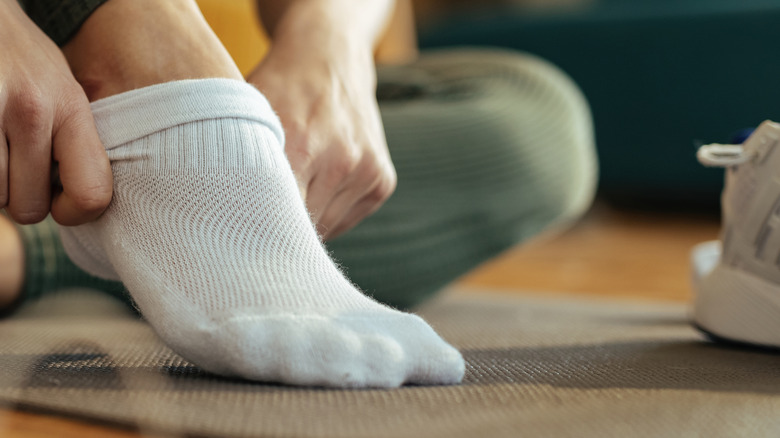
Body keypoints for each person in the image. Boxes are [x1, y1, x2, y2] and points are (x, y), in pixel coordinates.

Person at [0, 0, 597, 387]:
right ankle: (155, 112)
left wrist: (330, 45)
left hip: (251, 90)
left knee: (535, 121)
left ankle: (70, 229)